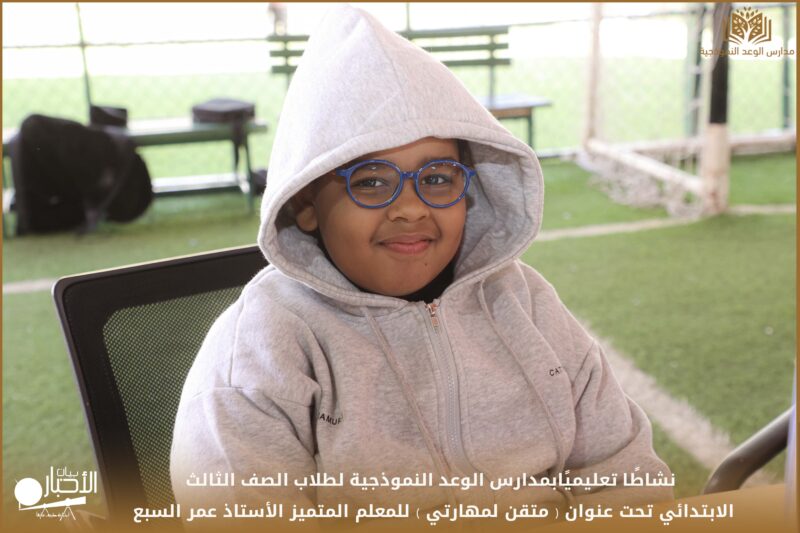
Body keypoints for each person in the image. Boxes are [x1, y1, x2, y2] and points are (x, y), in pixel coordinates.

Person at [170, 3, 673, 524]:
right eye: (370, 181)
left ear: (467, 188)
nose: (410, 208)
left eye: (436, 178)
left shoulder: (524, 303)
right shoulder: (263, 347)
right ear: (305, 203)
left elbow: (623, 470)